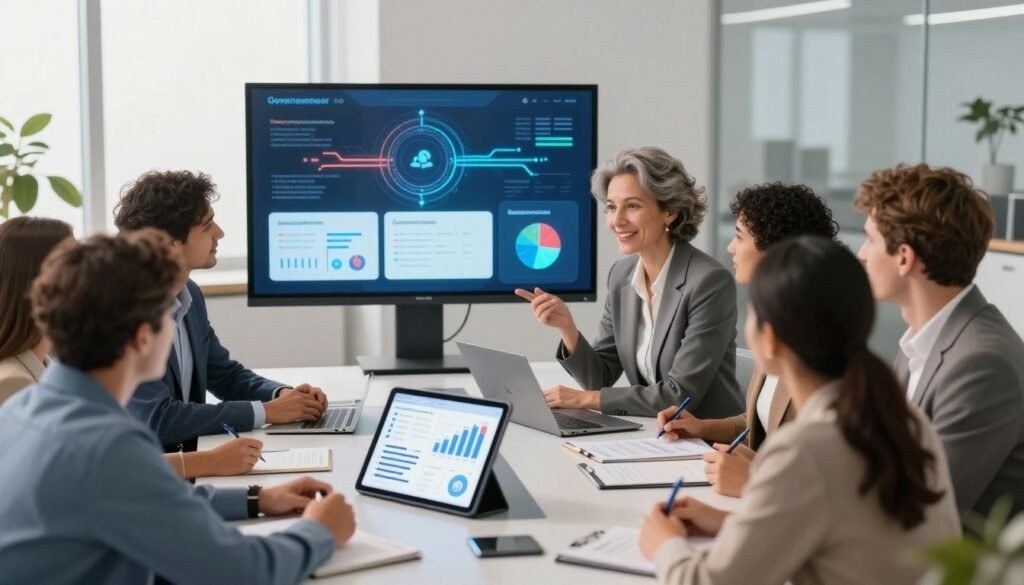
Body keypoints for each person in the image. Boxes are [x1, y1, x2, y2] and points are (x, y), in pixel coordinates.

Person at [0, 229, 356, 584]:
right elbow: (242, 571)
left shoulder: (22, 410)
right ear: (143, 337)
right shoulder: (106, 445)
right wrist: (320, 531)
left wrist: (257, 499)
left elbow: (151, 497)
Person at [638, 236, 960, 585]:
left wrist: (664, 543)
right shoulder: (902, 420)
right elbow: (846, 532)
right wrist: (729, 523)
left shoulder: (805, 449)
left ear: (770, 338)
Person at [0, 216, 263, 479]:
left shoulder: (50, 362)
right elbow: (104, 476)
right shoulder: (13, 384)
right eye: (74, 263)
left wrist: (253, 499)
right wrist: (208, 462)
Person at [516, 147, 743, 418]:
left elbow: (679, 395)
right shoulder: (622, 276)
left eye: (632, 206)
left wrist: (582, 400)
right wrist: (567, 328)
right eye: (611, 207)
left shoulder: (708, 282)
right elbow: (600, 379)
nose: (617, 221)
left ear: (669, 212)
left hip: (708, 442)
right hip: (657, 434)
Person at [113, 170, 328, 454]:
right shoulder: (123, 314)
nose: (220, 233)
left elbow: (225, 376)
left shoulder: (190, 296)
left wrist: (283, 395)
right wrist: (266, 412)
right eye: (207, 226)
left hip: (193, 462)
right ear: (169, 242)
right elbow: (159, 419)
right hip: (150, 479)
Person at [854, 163, 1024, 519]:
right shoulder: (922, 340)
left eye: (870, 239)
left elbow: (921, 508)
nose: (862, 254)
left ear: (904, 257)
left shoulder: (981, 362)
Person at [657, 182, 840, 496]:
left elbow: (830, 476)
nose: (730, 247)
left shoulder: (815, 345)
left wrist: (756, 479)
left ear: (775, 251)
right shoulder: (779, 322)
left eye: (740, 236)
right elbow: (763, 421)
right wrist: (701, 426)